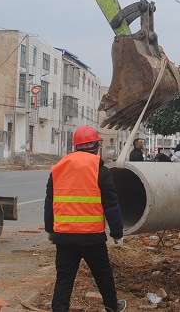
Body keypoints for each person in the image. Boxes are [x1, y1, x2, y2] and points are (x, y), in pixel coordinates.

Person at [44, 125, 126, 312]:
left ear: (75, 147)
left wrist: (50, 230)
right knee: (103, 275)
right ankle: (112, 307)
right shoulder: (101, 170)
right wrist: (117, 234)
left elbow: (50, 202)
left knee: (64, 279)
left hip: (64, 236)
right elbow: (112, 205)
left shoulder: (58, 169)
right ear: (96, 146)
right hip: (92, 237)